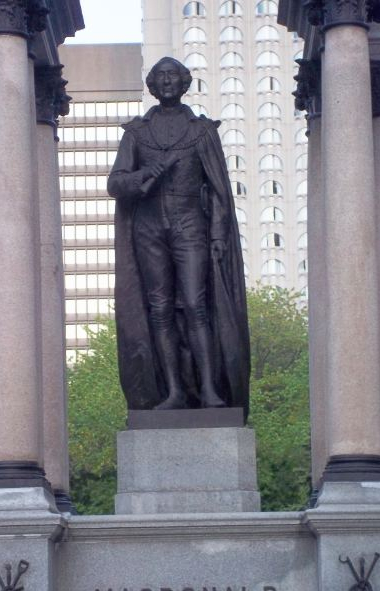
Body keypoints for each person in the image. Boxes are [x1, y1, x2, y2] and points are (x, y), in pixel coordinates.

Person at [108, 57, 249, 415]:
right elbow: (116, 183)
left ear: (184, 83)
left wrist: (218, 235)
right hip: (149, 227)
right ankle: (173, 391)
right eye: (161, 77)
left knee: (195, 305)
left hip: (190, 224)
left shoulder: (201, 131)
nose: (167, 82)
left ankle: (207, 389)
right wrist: (143, 175)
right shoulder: (137, 133)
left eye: (174, 76)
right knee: (159, 310)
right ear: (152, 85)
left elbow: (218, 190)